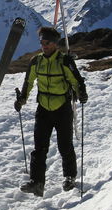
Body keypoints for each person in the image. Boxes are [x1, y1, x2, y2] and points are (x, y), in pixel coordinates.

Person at [15, 26, 88, 196]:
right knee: (39, 147)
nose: (44, 45)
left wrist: (81, 94)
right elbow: (29, 82)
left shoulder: (65, 61)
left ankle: (70, 176)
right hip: (43, 109)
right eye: (41, 42)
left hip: (62, 108)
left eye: (47, 42)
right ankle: (36, 182)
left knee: (65, 145)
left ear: (55, 44)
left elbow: (76, 80)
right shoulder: (36, 61)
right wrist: (21, 100)